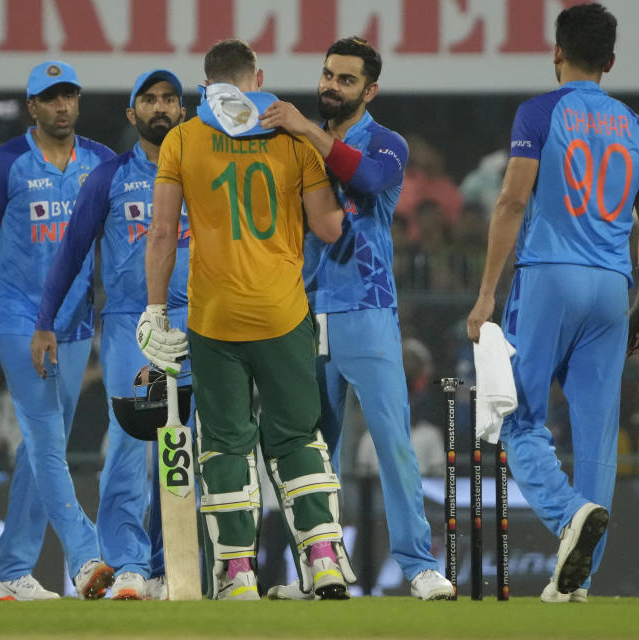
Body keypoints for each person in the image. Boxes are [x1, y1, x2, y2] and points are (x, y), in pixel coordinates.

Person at [465, 3, 639, 603]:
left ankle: (566, 513)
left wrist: (484, 297)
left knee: (515, 416)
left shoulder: (539, 112)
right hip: (611, 287)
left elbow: (510, 203)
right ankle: (577, 582)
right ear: (610, 61)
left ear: (557, 52)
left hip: (548, 276)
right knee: (597, 435)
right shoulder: (636, 125)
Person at [139, 39, 350, 601]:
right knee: (297, 439)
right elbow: (330, 229)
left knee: (227, 445)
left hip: (214, 317)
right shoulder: (292, 136)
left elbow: (161, 234)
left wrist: (156, 311)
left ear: (204, 87)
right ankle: (324, 559)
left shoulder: (182, 139)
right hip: (283, 312)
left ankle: (236, 574)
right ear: (257, 78)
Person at [257, 36, 454, 601]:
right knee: (314, 451)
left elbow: (365, 182)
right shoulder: (294, 145)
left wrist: (304, 130)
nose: (330, 87)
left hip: (366, 310)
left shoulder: (385, 144)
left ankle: (418, 565)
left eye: (345, 80)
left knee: (392, 439)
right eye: (327, 75)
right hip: (303, 313)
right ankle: (320, 571)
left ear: (369, 90)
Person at [30, 69, 188, 600]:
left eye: (170, 99)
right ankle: (130, 565)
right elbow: (71, 251)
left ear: (183, 111)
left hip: (202, 323)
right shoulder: (110, 178)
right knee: (128, 442)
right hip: (132, 325)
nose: (160, 107)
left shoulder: (204, 173)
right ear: (132, 114)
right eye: (149, 99)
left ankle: (174, 564)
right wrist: (45, 320)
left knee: (191, 444)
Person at [0, 60, 114, 601]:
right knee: (47, 439)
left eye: (68, 95)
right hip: (16, 318)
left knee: (40, 449)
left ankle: (8, 569)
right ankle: (87, 556)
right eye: (49, 98)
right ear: (31, 106)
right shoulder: (3, 164)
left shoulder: (99, 161)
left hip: (72, 322)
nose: (61, 106)